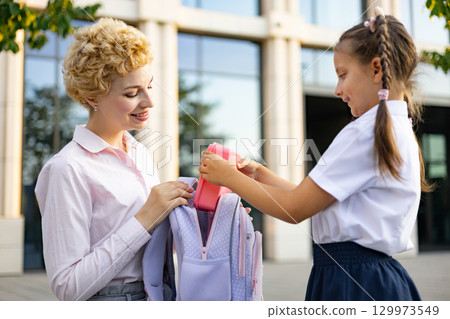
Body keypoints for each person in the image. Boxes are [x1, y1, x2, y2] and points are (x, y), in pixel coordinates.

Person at [198, 7, 432, 301]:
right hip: (377, 278)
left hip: (350, 280)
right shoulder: (396, 130)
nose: (337, 89)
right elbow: (311, 200)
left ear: (376, 69)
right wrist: (258, 174)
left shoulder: (364, 132)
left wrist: (229, 177)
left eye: (343, 75)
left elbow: (294, 209)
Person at [35, 18, 193, 301]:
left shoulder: (140, 153)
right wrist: (144, 218)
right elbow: (68, 288)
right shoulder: (67, 169)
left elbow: (150, 246)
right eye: (132, 93)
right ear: (93, 96)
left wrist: (204, 217)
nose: (149, 102)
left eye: (149, 86)